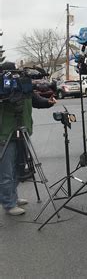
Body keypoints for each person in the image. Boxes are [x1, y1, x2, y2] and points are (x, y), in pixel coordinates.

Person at [0, 62, 56, 216]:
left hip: (23, 131)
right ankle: (8, 203)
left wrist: (48, 102)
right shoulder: (3, 89)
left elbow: (36, 100)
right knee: (6, 171)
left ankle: (13, 196)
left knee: (19, 167)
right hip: (5, 134)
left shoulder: (23, 87)